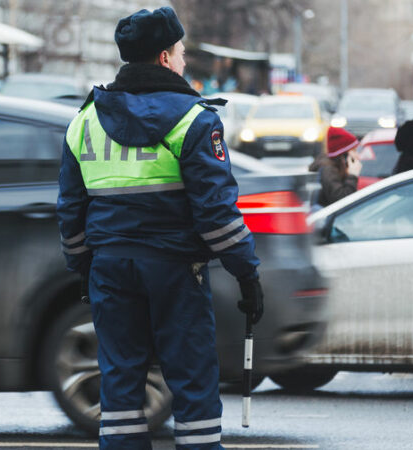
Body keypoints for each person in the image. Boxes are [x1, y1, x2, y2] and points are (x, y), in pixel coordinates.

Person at [56, 7, 262, 450]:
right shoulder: (194, 119)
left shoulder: (85, 121)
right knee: (191, 379)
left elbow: (71, 210)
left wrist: (83, 267)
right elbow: (216, 214)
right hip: (174, 269)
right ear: (166, 57)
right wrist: (246, 273)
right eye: (182, 53)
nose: (185, 61)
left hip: (110, 268)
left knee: (121, 383)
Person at [308, 127, 362, 208]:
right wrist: (353, 176)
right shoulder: (328, 170)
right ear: (344, 155)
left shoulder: (338, 168)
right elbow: (341, 201)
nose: (358, 156)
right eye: (354, 151)